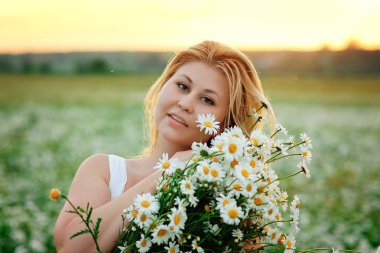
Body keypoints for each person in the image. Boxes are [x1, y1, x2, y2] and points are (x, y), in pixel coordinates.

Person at [54, 40, 275, 252]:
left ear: (226, 125)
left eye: (207, 100)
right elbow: (70, 248)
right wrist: (166, 173)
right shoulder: (103, 170)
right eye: (182, 86)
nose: (186, 103)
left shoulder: (228, 202)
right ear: (163, 85)